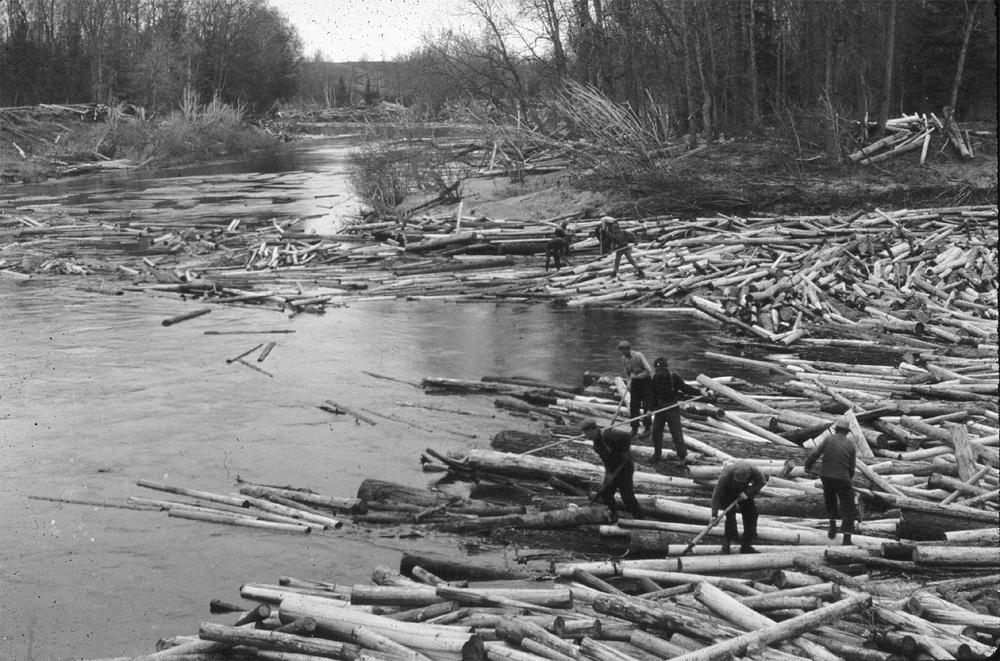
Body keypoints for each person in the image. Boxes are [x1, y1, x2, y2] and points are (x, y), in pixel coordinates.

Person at [804, 416, 858, 545]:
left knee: (830, 501)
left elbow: (815, 453)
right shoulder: (851, 445)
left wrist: (808, 465)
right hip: (842, 478)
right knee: (849, 507)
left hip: (826, 476)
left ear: (836, 429)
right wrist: (848, 479)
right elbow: (852, 467)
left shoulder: (828, 439)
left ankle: (832, 527)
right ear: (846, 432)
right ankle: (846, 538)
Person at [581, 419, 642, 521]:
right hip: (613, 469)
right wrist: (608, 474)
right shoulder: (597, 444)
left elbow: (626, 436)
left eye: (586, 432)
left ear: (592, 430)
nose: (585, 435)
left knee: (626, 495)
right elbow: (606, 461)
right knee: (606, 493)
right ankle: (613, 515)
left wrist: (625, 452)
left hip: (625, 467)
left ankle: (639, 519)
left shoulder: (607, 435)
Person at [649, 357, 702, 464]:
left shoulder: (674, 378)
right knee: (656, 432)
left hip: (672, 408)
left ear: (665, 368)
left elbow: (685, 388)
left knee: (676, 433)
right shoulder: (655, 378)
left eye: (661, 369)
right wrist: (650, 409)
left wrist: (700, 392)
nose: (659, 372)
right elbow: (653, 395)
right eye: (657, 370)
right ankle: (657, 454)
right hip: (660, 408)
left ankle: (682, 457)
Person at [711, 461, 766, 553]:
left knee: (752, 515)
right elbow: (716, 495)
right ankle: (727, 544)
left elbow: (762, 482)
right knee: (730, 517)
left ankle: (746, 545)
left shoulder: (754, 471)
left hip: (744, 492)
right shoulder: (726, 475)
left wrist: (747, 492)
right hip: (727, 493)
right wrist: (714, 515)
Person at [618, 340, 653, 436]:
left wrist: (637, 376)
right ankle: (634, 428)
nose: (622, 353)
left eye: (623, 351)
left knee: (646, 406)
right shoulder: (624, 358)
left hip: (645, 382)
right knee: (634, 406)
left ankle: (647, 428)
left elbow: (648, 370)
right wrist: (629, 382)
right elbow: (627, 373)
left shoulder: (638, 356)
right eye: (621, 351)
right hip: (635, 383)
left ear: (628, 349)